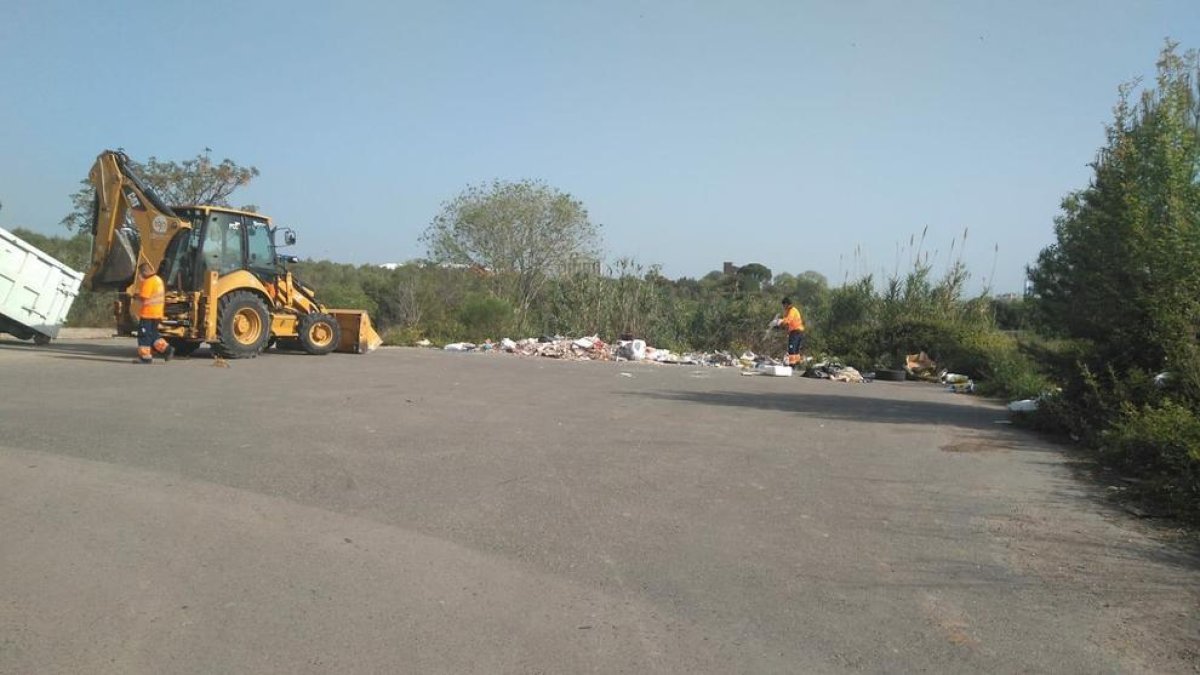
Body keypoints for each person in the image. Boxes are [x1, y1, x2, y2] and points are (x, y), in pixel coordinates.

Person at [133, 262, 174, 364]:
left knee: (144, 335)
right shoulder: (158, 280)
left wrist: (134, 296)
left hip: (148, 313)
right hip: (157, 313)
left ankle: (145, 357)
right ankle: (167, 349)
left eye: (141, 273)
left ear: (145, 271)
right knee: (153, 335)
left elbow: (144, 297)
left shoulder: (148, 281)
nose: (140, 275)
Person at [773, 297, 806, 367]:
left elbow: (788, 320)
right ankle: (797, 363)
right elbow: (787, 323)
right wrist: (780, 326)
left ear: (787, 304)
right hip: (798, 331)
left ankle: (792, 364)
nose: (783, 306)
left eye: (783, 305)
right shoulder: (790, 310)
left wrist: (779, 323)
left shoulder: (792, 311)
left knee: (791, 347)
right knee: (796, 348)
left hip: (795, 331)